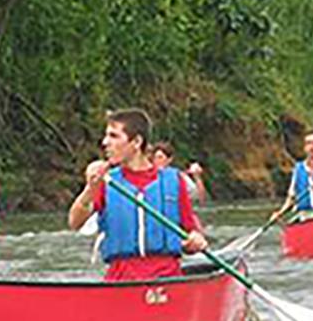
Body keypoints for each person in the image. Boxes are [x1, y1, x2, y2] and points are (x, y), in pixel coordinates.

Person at [67, 108, 208, 281]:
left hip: (168, 280)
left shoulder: (174, 181)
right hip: (120, 281)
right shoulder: (106, 182)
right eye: (106, 136)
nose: (105, 142)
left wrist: (195, 240)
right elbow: (74, 222)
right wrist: (90, 189)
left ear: (136, 142)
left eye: (114, 136)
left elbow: (191, 230)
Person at [270, 130, 313, 221]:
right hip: (303, 215)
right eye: (308, 143)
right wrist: (280, 213)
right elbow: (291, 196)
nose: (311, 147)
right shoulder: (298, 168)